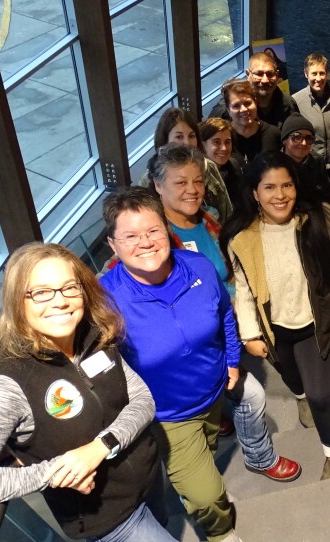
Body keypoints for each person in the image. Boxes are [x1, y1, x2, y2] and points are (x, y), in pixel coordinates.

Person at [0, 243, 173, 542]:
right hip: (110, 518)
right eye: (41, 292)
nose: (60, 301)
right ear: (17, 302)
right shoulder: (10, 384)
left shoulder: (95, 335)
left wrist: (99, 447)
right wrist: (52, 473)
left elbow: (142, 400)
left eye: (69, 288)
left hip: (149, 479)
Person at [99, 188, 264, 542]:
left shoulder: (199, 266)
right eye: (130, 236)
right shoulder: (104, 297)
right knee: (205, 495)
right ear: (113, 245)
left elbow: (224, 317)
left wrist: (232, 362)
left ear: (167, 230)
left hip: (214, 391)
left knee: (208, 451)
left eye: (153, 231)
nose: (145, 242)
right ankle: (220, 532)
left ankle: (203, 485)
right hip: (167, 415)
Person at [221, 151, 330, 480]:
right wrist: (250, 333)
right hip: (273, 328)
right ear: (254, 193)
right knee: (292, 377)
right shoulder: (242, 238)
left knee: (320, 395)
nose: (280, 195)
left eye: (287, 185)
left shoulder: (318, 219)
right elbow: (242, 287)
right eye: (269, 188)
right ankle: (299, 396)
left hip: (315, 325)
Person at [140, 107, 233, 223]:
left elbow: (226, 211)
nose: (187, 143)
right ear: (165, 139)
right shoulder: (151, 176)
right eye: (179, 137)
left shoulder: (208, 166)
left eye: (191, 136)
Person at [291, 52, 330, 173]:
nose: (318, 78)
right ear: (306, 73)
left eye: (322, 73)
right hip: (309, 167)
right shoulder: (296, 100)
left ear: (327, 74)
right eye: (314, 73)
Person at [209, 53, 293, 128]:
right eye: (259, 74)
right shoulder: (225, 110)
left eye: (270, 74)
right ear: (248, 74)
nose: (265, 80)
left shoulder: (289, 104)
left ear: (277, 75)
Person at [281, 113, 330, 207]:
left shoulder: (317, 161)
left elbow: (327, 197)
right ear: (285, 140)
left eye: (308, 138)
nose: (304, 143)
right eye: (297, 137)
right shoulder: (274, 165)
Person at [221, 79, 282, 163]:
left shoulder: (274, 134)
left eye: (247, 103)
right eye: (236, 106)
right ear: (228, 110)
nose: (243, 109)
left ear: (256, 103)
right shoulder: (222, 137)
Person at [200, 117, 246, 206]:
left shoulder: (233, 166)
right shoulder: (197, 174)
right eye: (216, 142)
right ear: (203, 145)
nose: (224, 148)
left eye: (227, 142)